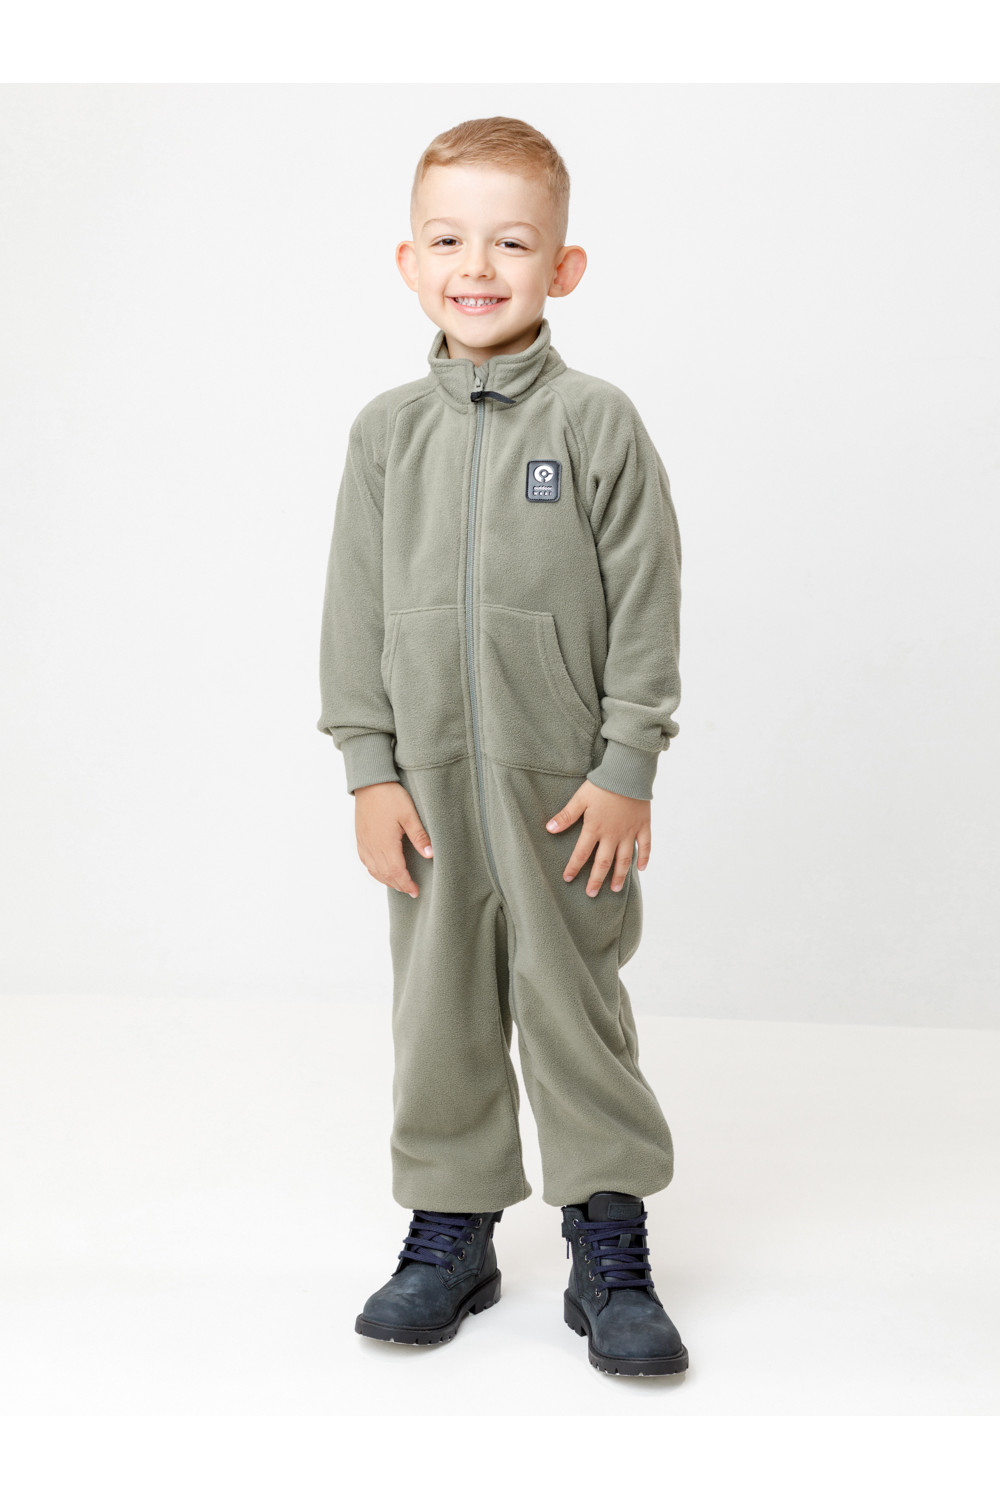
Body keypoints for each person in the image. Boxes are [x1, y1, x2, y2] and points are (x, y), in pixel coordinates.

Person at [316, 116, 688, 1377]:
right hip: (426, 794)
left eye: (512, 243)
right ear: (409, 262)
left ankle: (608, 1238)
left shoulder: (596, 422)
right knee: (438, 1014)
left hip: (565, 795)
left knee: (575, 1006)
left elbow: (647, 602)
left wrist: (626, 766)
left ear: (561, 267)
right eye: (448, 241)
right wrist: (369, 768)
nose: (477, 266)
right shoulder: (385, 434)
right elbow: (352, 610)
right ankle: (450, 1231)